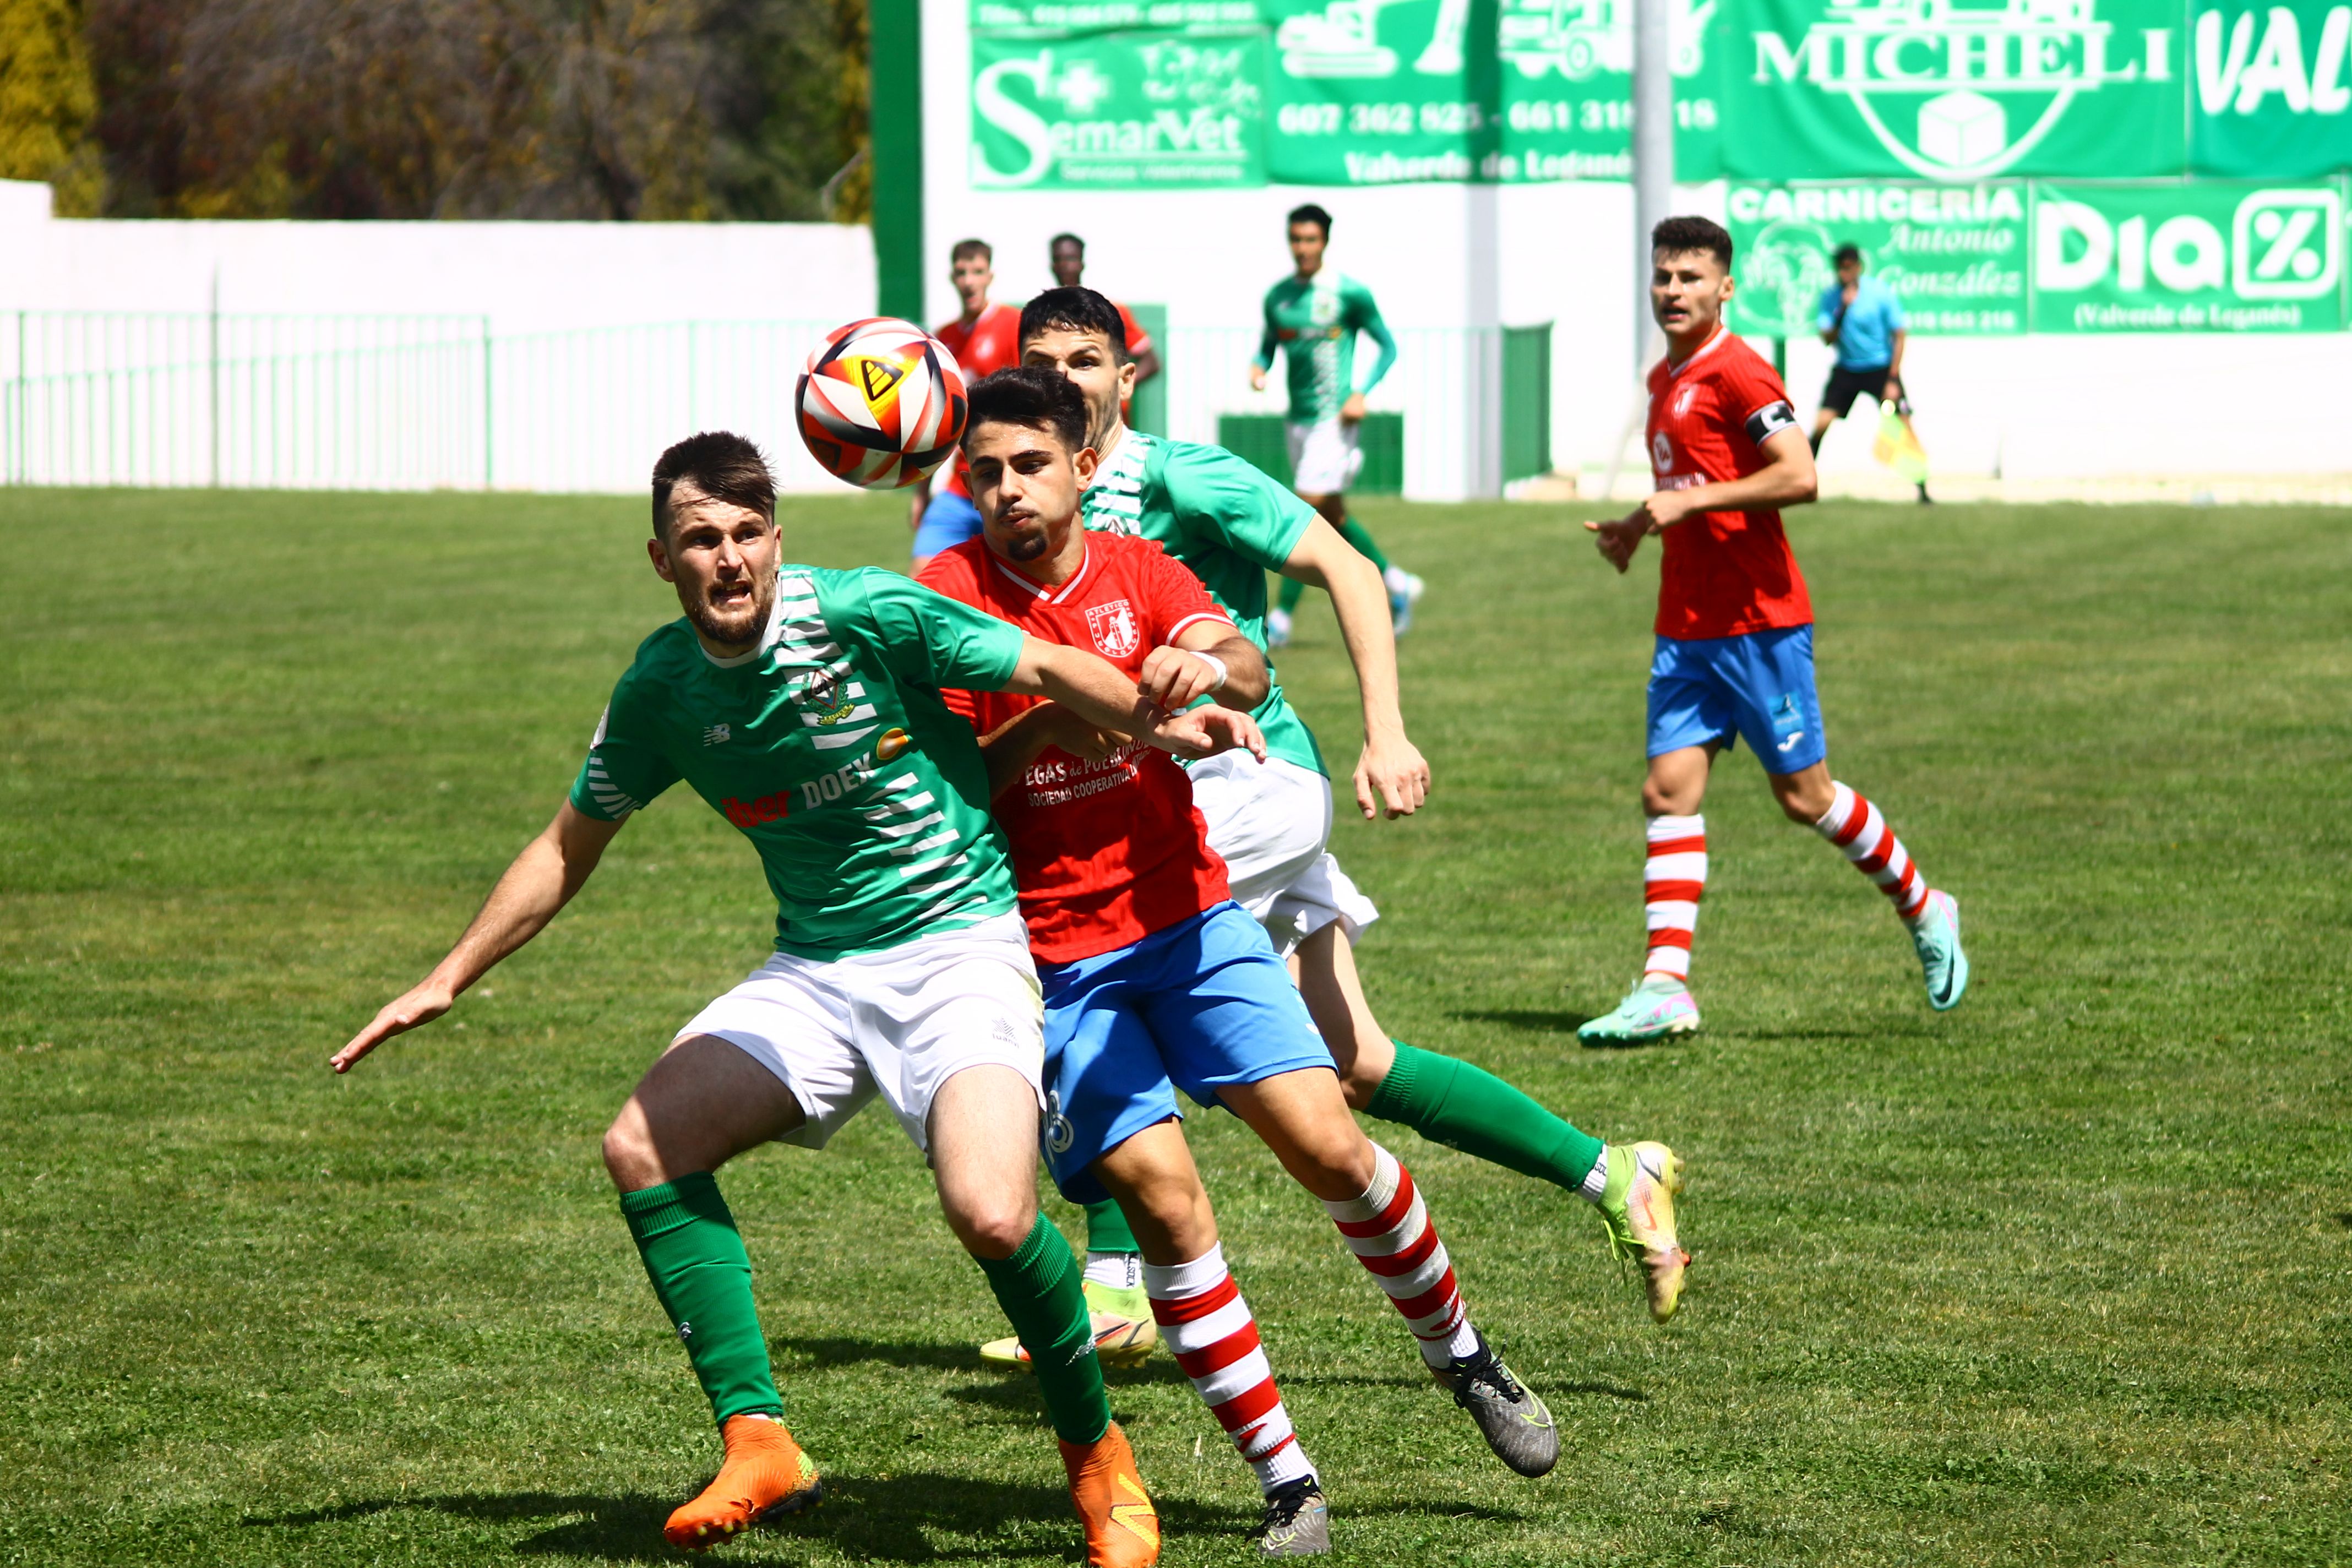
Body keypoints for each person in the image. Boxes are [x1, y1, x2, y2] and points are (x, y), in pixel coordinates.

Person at [328, 429, 1278, 1565]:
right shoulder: (661, 685)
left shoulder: (867, 612)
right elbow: (567, 842)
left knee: (993, 1214)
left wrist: (1157, 711)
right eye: (699, 540)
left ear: (776, 542)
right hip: (819, 967)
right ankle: (759, 1439)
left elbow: (1040, 669)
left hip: (960, 948)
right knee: (643, 1141)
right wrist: (445, 975)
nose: (727, 559)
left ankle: (1096, 1454)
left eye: (744, 535)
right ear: (660, 559)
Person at [974, 288, 1686, 1370]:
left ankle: (1119, 1281)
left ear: (1131, 375)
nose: (1063, 379)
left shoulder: (1179, 475)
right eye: (1042, 360)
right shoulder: (1023, 491)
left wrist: (1385, 732)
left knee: (1099, 946)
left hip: (1251, 781)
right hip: (1185, 791)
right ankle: (1614, 1169)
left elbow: (1350, 569)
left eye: (1086, 360)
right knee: (1354, 1062)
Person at [923, 368, 1562, 1551]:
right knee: (1166, 1204)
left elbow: (1248, 659)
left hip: (1192, 919)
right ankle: (1289, 1481)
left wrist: (1202, 664)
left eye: (1030, 463)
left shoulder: (1132, 565)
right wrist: (1070, 711)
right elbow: (954, 788)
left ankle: (1465, 1357)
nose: (1008, 488)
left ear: (1077, 466)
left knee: (1331, 1141)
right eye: (986, 471)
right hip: (1057, 962)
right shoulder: (944, 600)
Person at [1579, 217, 1969, 1046]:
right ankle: (1664, 987)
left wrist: (1687, 504)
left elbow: (1801, 473)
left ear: (1726, 289)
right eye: (1663, 278)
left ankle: (1925, 905)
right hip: (1685, 625)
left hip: (1759, 624)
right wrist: (1635, 528)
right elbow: (1687, 485)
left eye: (1691, 277)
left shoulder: (1742, 373)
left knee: (1806, 798)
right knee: (1666, 792)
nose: (1673, 291)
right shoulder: (1664, 378)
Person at [1249, 203, 1423, 645]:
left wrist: (1361, 392)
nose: (1302, 248)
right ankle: (1396, 582)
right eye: (1296, 239)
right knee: (1334, 516)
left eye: (1310, 240)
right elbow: (1269, 344)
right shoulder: (1279, 297)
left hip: (1334, 420)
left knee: (1301, 513)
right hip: (1299, 421)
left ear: (1325, 241)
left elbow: (1387, 346)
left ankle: (1282, 617)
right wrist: (1258, 366)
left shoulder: (1348, 293)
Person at [912, 238, 1022, 572]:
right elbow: (933, 422)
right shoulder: (943, 338)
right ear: (953, 278)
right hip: (959, 486)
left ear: (990, 275)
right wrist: (921, 494)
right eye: (962, 272)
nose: (970, 280)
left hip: (1006, 481)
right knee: (922, 576)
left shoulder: (1012, 325)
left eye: (977, 271)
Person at [1809, 242, 1931, 504]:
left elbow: (1899, 334)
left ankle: (1922, 488)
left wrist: (1893, 378)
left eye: (1849, 268)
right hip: (1847, 369)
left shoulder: (1879, 293)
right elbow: (1827, 338)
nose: (1844, 274)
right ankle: (1803, 482)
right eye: (1840, 269)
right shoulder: (1831, 299)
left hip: (1880, 369)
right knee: (1821, 424)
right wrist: (1842, 310)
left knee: (1904, 423)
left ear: (1858, 268)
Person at [1047, 233, 1162, 393]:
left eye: (1071, 258)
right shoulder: (1044, 315)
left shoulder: (1109, 311)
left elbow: (1151, 361)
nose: (1064, 265)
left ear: (1082, 263)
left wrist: (1116, 387)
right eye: (1058, 259)